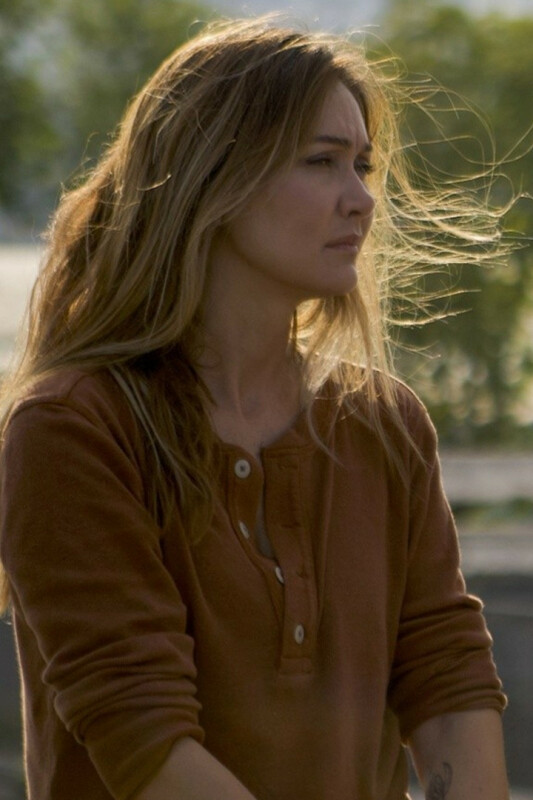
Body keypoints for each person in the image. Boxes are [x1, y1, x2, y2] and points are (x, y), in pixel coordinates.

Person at [0, 16, 510, 800]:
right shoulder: (73, 429)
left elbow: (445, 676)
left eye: (362, 166)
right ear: (214, 178)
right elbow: (145, 742)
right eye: (322, 162)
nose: (360, 201)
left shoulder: (384, 424)